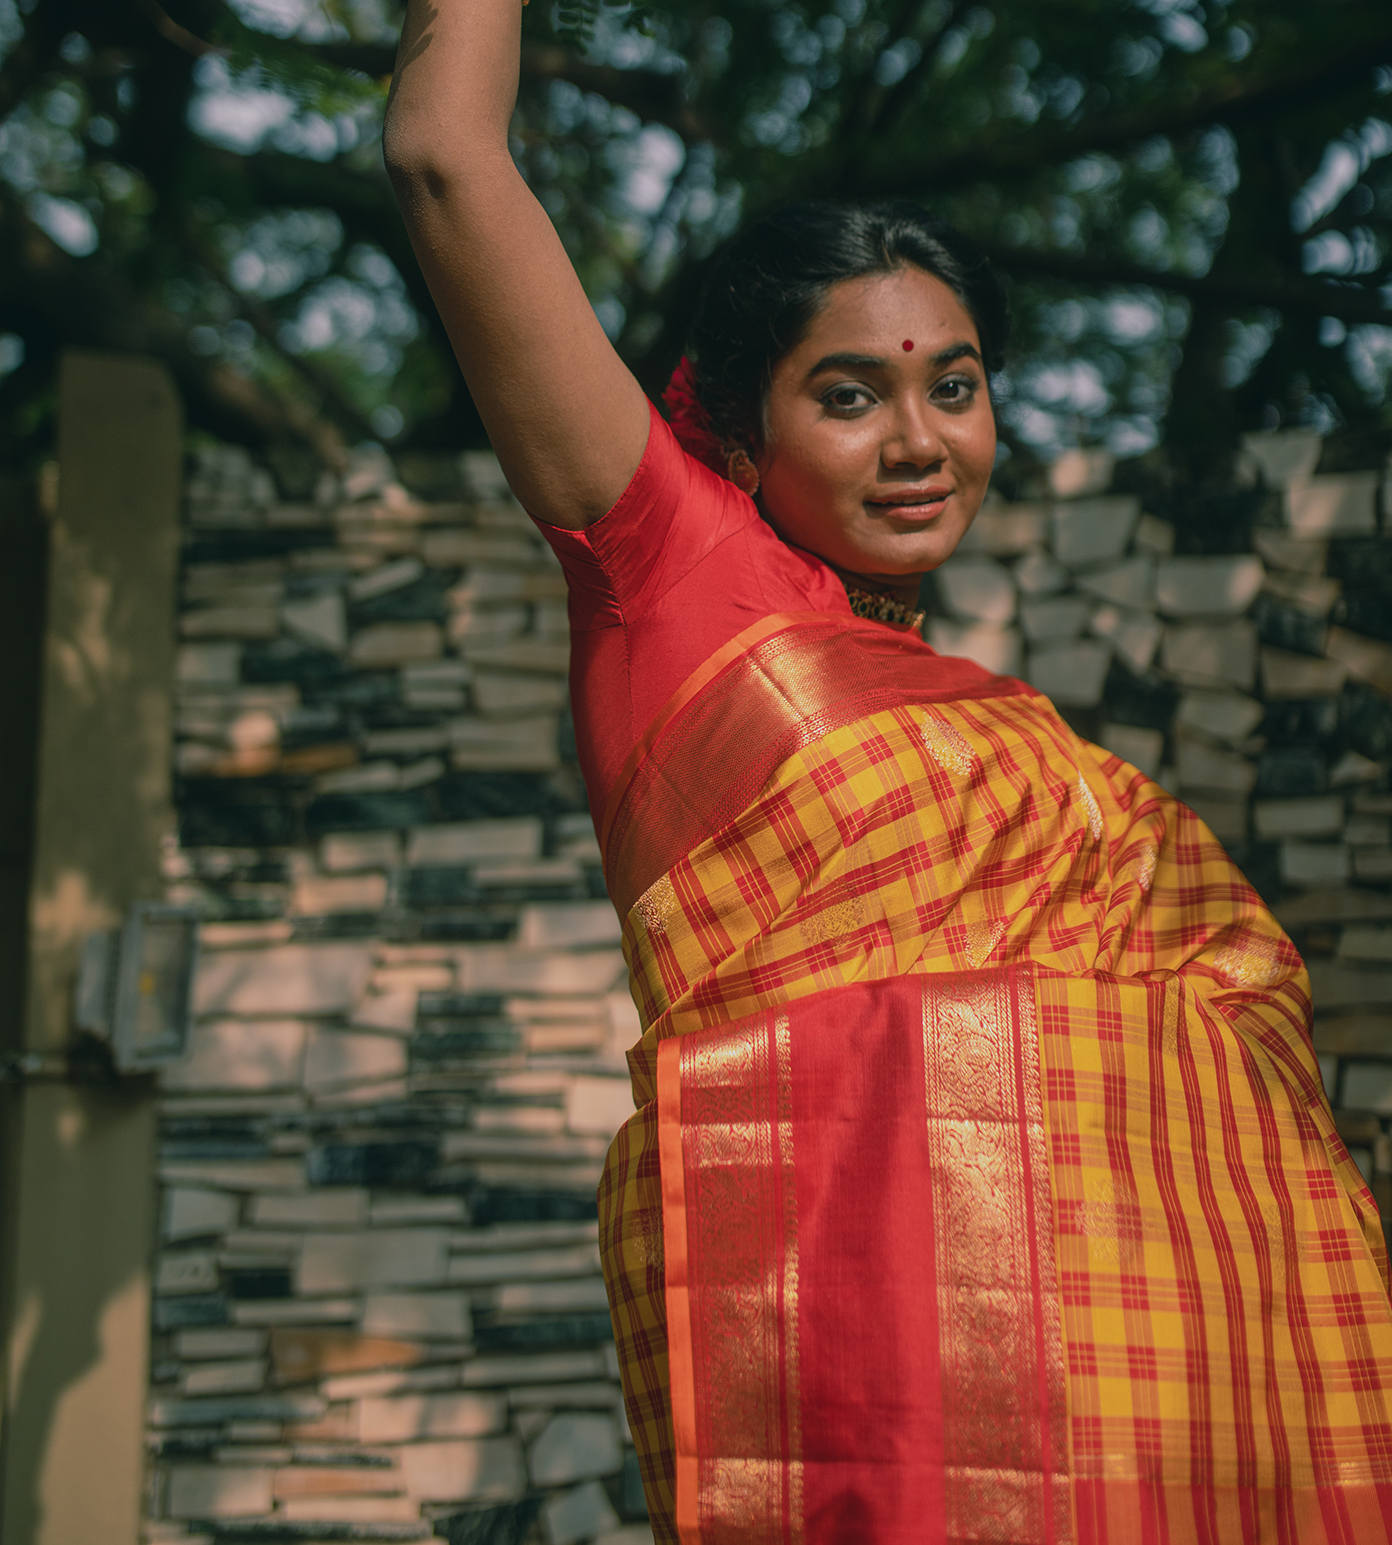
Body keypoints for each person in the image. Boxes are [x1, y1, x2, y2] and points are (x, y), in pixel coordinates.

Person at [384, 6, 1392, 1540]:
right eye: (849, 396)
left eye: (955, 384)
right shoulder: (668, 572)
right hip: (866, 1373)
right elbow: (446, 161)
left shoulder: (1006, 721)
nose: (918, 439)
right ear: (739, 423)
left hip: (1130, 1382)